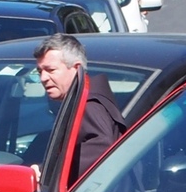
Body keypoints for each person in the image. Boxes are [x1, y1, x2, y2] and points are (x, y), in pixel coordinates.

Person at [34, 33, 126, 183]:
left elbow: (100, 151)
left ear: (77, 69)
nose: (43, 78)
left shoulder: (89, 105)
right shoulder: (80, 100)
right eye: (40, 71)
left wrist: (46, 173)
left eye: (50, 70)